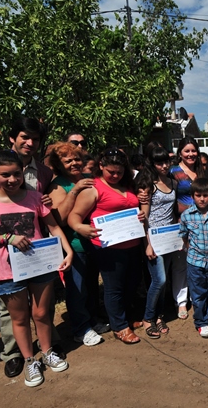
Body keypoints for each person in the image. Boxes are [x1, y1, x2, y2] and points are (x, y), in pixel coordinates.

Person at [0, 151, 73, 387]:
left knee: (41, 313)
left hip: (40, 264)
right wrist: (7, 237)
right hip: (6, 270)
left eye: (16, 174)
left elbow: (53, 227)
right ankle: (29, 360)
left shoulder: (36, 197)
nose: (12, 179)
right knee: (20, 318)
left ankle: (46, 352)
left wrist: (68, 251)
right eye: (5, 175)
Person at [68, 148, 145, 345]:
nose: (115, 175)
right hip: (108, 247)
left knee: (130, 284)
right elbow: (74, 216)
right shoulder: (93, 188)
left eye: (119, 171)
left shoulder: (126, 185)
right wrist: (80, 227)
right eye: (111, 171)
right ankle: (119, 326)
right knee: (114, 288)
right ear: (101, 166)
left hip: (133, 243)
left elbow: (134, 207)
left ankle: (125, 316)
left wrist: (141, 215)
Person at [47, 142, 108, 346]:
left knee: (91, 286)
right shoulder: (58, 185)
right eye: (68, 160)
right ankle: (80, 329)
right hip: (73, 245)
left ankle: (91, 320)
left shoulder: (87, 179)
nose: (74, 163)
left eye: (77, 159)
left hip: (93, 242)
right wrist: (74, 190)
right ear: (58, 164)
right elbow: (60, 219)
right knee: (76, 289)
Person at [136, 147, 177, 338]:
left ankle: (159, 316)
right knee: (158, 279)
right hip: (153, 237)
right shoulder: (148, 185)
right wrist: (147, 244)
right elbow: (143, 217)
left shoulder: (172, 182)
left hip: (169, 237)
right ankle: (148, 317)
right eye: (159, 162)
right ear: (152, 164)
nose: (164, 165)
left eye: (166, 161)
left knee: (164, 279)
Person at [179, 178, 208, 338]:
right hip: (195, 262)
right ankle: (201, 321)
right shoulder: (186, 215)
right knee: (198, 294)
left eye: (205, 195)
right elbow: (184, 237)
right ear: (192, 196)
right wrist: (193, 250)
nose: (202, 199)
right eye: (198, 195)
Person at [169, 137, 204, 319]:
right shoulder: (173, 172)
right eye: (187, 151)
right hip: (180, 223)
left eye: (193, 151)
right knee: (181, 264)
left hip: (202, 225)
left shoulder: (201, 171)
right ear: (180, 153)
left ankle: (197, 296)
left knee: (198, 263)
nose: (191, 154)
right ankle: (181, 301)